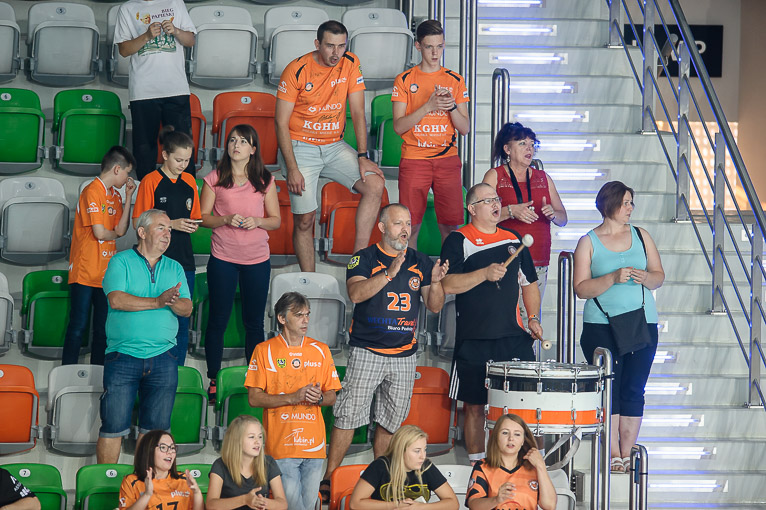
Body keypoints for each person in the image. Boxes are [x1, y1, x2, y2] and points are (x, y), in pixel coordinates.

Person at [323, 204, 449, 498]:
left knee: (390, 422)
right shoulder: (363, 258)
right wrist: (389, 274)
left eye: (408, 223)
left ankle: (380, 483)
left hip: (404, 355)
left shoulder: (420, 260)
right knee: (348, 416)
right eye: (398, 223)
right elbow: (356, 294)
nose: (405, 229)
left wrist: (437, 283)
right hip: (367, 350)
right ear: (381, 227)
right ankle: (329, 478)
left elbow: (435, 306)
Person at [440, 183, 543, 464]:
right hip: (474, 338)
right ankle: (477, 467)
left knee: (524, 404)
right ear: (472, 209)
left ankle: (525, 466)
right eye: (487, 201)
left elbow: (529, 283)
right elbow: (447, 284)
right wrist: (484, 274)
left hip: (513, 336)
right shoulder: (459, 239)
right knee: (474, 406)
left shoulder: (514, 239)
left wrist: (533, 318)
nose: (496, 204)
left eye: (496, 199)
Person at [275, 20, 385, 272]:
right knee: (305, 220)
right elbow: (280, 123)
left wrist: (362, 156)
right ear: (317, 44)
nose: (336, 53)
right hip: (300, 146)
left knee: (375, 185)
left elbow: (358, 112)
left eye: (341, 46)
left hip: (334, 146)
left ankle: (358, 264)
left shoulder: (351, 62)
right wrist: (292, 168)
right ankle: (309, 281)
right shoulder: (296, 69)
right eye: (330, 46)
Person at [573, 181, 664, 473]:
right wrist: (612, 278)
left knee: (634, 388)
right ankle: (612, 451)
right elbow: (581, 288)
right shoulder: (588, 241)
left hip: (641, 322)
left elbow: (659, 276)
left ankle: (627, 451)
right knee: (610, 387)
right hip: (601, 324)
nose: (630, 208)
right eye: (625, 202)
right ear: (609, 204)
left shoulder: (641, 235)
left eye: (631, 203)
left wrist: (645, 277)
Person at [97, 209, 192, 464]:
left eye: (169, 229)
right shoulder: (120, 261)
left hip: (164, 357)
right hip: (123, 355)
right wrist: (158, 301)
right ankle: (105, 483)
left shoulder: (175, 267)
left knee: (155, 433)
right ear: (142, 232)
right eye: (161, 228)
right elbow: (116, 300)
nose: (167, 234)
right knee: (113, 427)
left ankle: (144, 485)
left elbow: (187, 308)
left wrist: (172, 301)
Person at [201, 124, 280, 402]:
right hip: (223, 258)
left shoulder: (265, 180)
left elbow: (276, 220)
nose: (236, 145)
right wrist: (224, 219)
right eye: (233, 140)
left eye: (243, 141)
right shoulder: (214, 177)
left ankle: (254, 381)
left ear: (253, 149)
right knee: (217, 320)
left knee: (254, 323)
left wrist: (257, 221)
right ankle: (213, 378)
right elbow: (203, 217)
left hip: (257, 259)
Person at [245, 292, 342, 510]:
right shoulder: (264, 350)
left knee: (306, 506)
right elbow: (254, 398)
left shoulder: (321, 350)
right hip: (282, 446)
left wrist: (319, 398)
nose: (305, 320)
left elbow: (332, 396)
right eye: (298, 315)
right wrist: (293, 397)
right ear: (282, 318)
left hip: (314, 446)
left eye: (307, 314)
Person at [392, 19, 470, 248]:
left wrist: (451, 106)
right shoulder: (405, 79)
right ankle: (410, 269)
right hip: (414, 159)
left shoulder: (455, 80)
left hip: (447, 159)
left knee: (451, 228)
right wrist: (428, 106)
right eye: (429, 47)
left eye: (439, 46)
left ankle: (449, 270)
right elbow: (398, 126)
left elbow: (464, 128)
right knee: (409, 227)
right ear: (418, 46)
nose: (435, 53)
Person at [483, 122, 567, 322]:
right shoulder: (495, 175)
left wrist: (552, 214)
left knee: (531, 319)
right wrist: (510, 211)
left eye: (532, 144)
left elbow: (563, 218)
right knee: (505, 319)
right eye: (522, 143)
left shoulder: (543, 177)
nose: (529, 148)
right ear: (507, 149)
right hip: (504, 260)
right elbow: (480, 216)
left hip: (538, 260)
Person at [62, 146, 137, 366]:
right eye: (127, 172)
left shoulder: (115, 195)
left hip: (106, 275)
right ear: (117, 169)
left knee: (103, 330)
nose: (127, 178)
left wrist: (128, 197)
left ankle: (97, 374)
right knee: (78, 326)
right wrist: (112, 234)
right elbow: (100, 233)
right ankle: (66, 373)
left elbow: (121, 230)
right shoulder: (91, 191)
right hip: (85, 271)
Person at [133, 127, 200, 365]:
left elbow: (195, 217)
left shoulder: (190, 181)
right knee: (152, 316)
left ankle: (178, 373)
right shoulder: (150, 181)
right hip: (154, 260)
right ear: (164, 155)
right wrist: (172, 224)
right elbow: (138, 222)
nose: (183, 165)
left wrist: (190, 225)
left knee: (182, 321)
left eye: (187, 160)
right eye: (178, 159)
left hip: (183, 259)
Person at [114, 0, 196, 180]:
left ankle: (186, 192)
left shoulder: (175, 2)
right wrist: (147, 36)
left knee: (183, 147)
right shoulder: (127, 8)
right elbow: (124, 50)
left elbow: (190, 40)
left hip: (175, 88)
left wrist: (176, 31)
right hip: (143, 90)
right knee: (144, 149)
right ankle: (147, 192)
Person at [349, 425, 458, 510]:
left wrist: (421, 507)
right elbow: (355, 503)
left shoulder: (426, 466)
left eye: (424, 450)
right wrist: (395, 505)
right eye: (417, 451)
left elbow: (453, 503)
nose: (423, 456)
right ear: (401, 451)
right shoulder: (380, 466)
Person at [465, 414, 556, 510]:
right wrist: (496, 500)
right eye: (505, 433)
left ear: (523, 440)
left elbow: (549, 506)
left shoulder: (533, 467)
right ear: (496, 437)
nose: (511, 438)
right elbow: (473, 505)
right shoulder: (483, 467)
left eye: (517, 434)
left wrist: (541, 465)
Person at [207, 415, 287, 510]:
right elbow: (211, 505)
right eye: (252, 437)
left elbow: (282, 504)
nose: (257, 442)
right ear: (237, 440)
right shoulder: (220, 465)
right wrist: (245, 500)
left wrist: (261, 502)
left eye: (260, 437)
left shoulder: (269, 462)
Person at [118, 430, 203, 510]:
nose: (170, 452)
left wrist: (197, 492)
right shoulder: (131, 481)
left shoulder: (184, 480)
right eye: (163, 447)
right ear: (149, 450)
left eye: (172, 448)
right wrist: (147, 494)